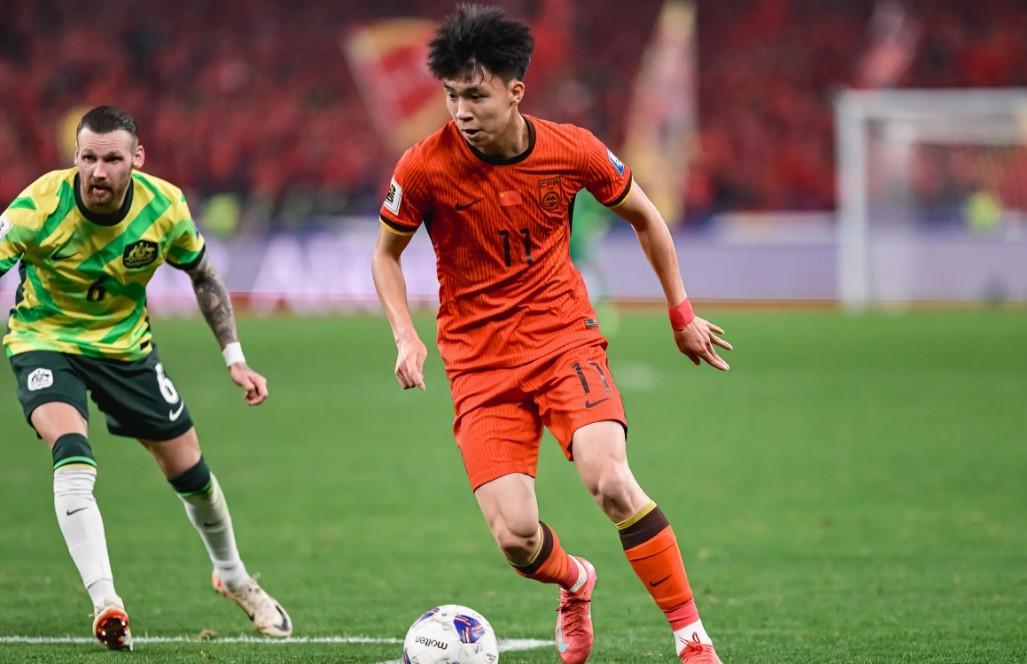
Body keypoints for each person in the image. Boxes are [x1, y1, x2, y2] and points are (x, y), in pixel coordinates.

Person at [371, 5, 732, 663]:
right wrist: (405, 335)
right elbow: (385, 254)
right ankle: (575, 581)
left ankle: (692, 638)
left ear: (515, 90)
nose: (461, 112)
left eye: (476, 96)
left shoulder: (573, 150)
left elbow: (646, 217)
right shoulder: (423, 167)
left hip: (563, 340)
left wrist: (680, 313)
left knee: (611, 480)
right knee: (515, 537)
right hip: (478, 365)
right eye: (452, 96)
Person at [0, 106, 292, 650]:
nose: (98, 172)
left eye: (112, 159)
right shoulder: (39, 204)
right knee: (70, 448)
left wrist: (234, 357)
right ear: (75, 157)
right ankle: (107, 603)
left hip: (125, 350)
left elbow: (203, 274)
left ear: (137, 158)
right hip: (45, 340)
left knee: (192, 474)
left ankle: (233, 576)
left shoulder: (164, 207)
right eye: (88, 158)